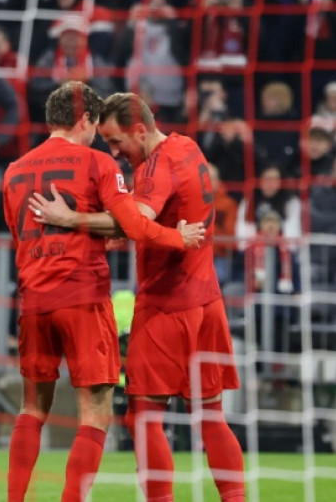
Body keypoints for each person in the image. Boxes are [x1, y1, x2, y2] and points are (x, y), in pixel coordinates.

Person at [32, 91, 244, 502]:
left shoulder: (154, 168)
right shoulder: (188, 147)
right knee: (210, 416)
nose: (113, 151)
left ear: (141, 130)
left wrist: (70, 219)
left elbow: (136, 221)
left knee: (145, 417)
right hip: (208, 301)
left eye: (116, 142)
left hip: (169, 305)